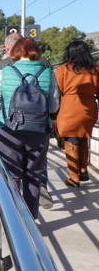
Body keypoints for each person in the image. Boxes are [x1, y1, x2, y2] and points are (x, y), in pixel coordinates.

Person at [0, 38, 60, 219]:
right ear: (36, 51)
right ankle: (31, 219)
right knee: (33, 176)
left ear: (15, 51)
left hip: (9, 130)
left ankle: (13, 218)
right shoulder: (48, 73)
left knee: (11, 175)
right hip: (39, 132)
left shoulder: (5, 72)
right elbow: (54, 106)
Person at [54, 40, 99, 188]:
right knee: (83, 137)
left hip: (69, 108)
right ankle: (83, 169)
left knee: (71, 139)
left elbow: (57, 91)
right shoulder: (95, 70)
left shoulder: (63, 69)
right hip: (89, 109)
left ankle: (74, 177)